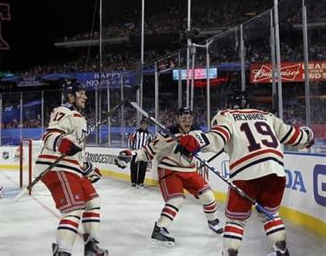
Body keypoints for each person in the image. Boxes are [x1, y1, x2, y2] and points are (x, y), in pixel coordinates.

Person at [176, 90, 315, 256]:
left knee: (236, 220)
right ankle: (281, 251)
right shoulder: (266, 116)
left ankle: (230, 253)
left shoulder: (225, 115)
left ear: (229, 104)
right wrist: (308, 135)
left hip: (246, 174)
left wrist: (196, 141)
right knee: (270, 214)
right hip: (275, 171)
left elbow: (217, 138)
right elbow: (294, 136)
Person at [115, 107, 223, 246]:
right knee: (177, 200)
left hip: (189, 170)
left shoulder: (197, 131)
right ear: (177, 119)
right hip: (169, 171)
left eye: (189, 118)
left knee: (208, 196)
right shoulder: (166, 134)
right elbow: (147, 151)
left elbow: (208, 145)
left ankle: (213, 221)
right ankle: (159, 228)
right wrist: (132, 155)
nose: (187, 121)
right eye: (183, 118)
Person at [35, 80, 108, 256]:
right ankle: (63, 251)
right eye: (81, 93)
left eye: (85, 93)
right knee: (73, 209)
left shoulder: (79, 117)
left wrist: (89, 170)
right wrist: (63, 144)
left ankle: (91, 246)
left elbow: (77, 154)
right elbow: (50, 135)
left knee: (93, 201)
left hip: (71, 168)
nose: (85, 96)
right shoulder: (64, 111)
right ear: (70, 96)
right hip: (58, 168)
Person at [127, 118, 152, 188]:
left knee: (143, 168)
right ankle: (133, 182)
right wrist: (131, 150)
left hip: (144, 153)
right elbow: (130, 140)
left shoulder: (149, 135)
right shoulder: (136, 132)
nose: (144, 125)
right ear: (140, 125)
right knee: (134, 167)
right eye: (142, 124)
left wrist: (149, 153)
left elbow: (150, 144)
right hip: (136, 152)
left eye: (145, 124)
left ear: (147, 125)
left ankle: (141, 182)